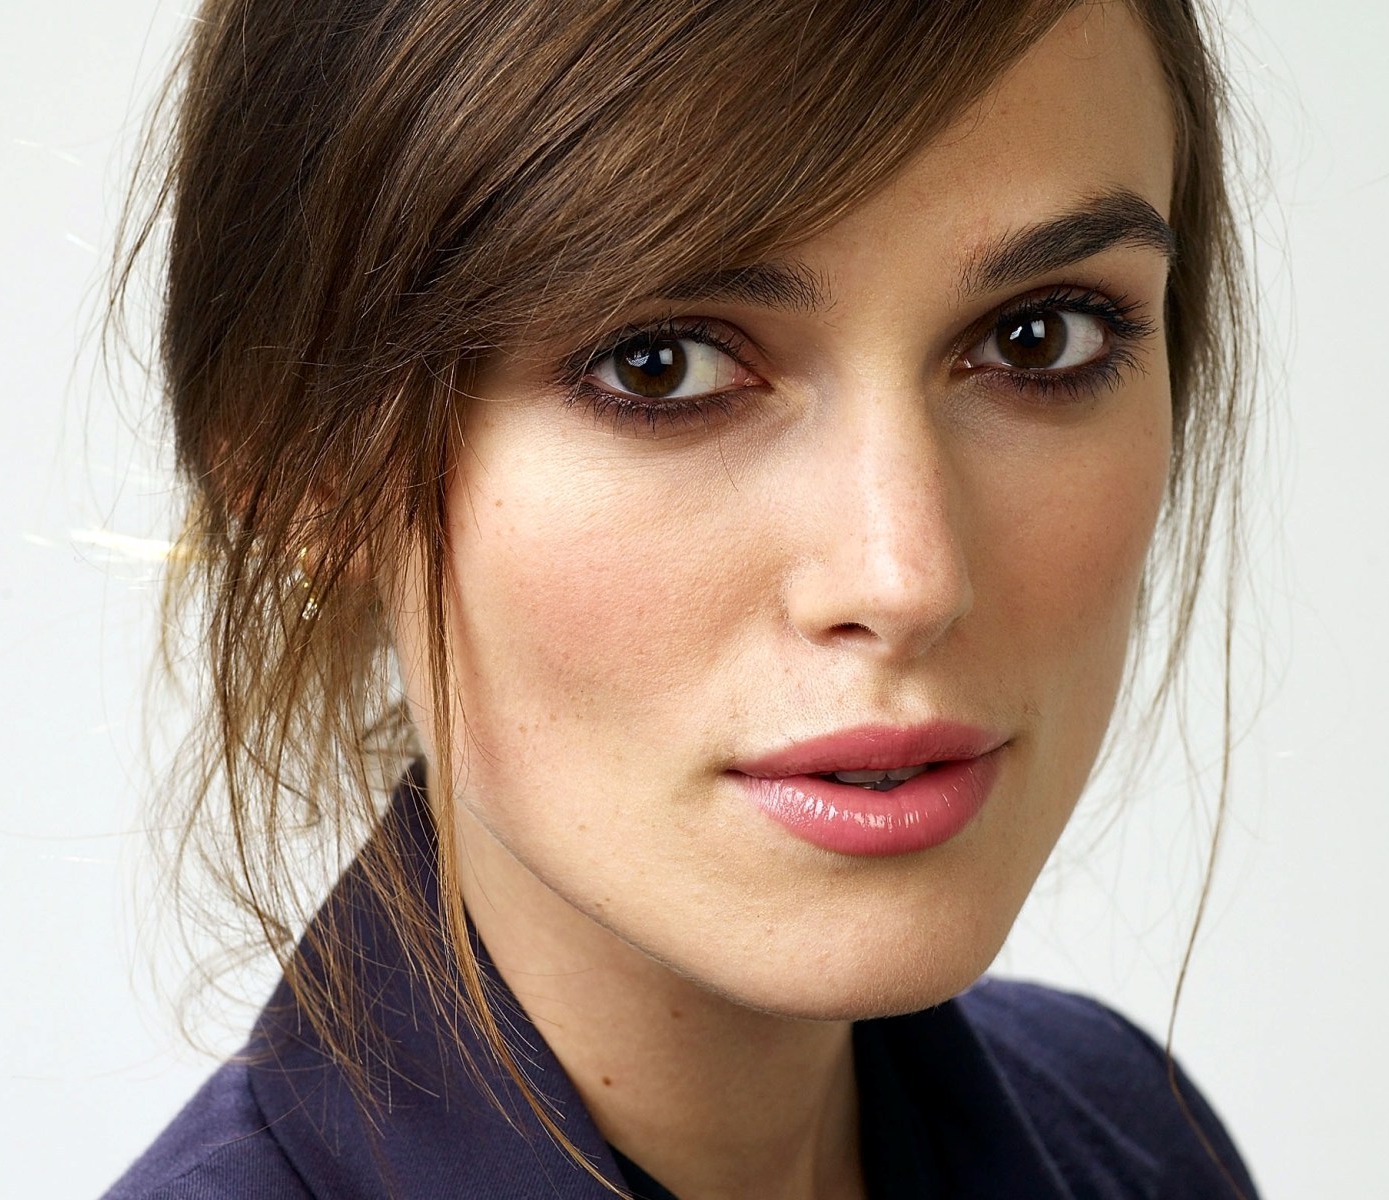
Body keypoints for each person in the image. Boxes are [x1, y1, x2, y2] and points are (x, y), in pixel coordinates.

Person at [103, 0, 1260, 1196]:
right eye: (661, 365)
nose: (907, 579)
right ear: (309, 467)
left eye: (1037, 339)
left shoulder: (1137, 1135)